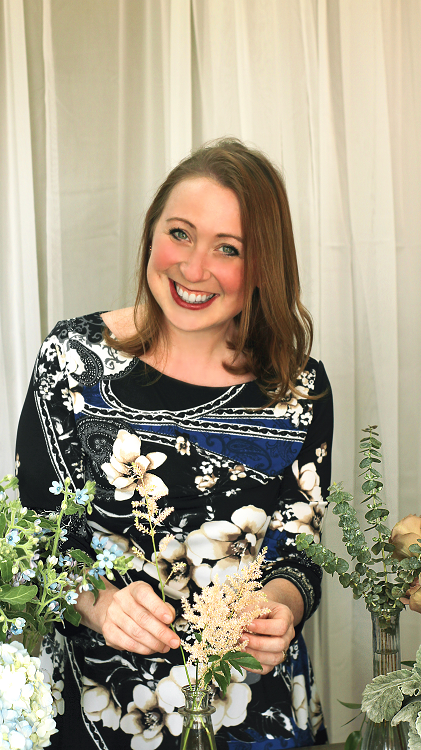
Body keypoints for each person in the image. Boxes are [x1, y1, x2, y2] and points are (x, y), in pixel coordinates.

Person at [16, 138, 333, 749]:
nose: (193, 268)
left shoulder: (298, 387)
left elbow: (301, 549)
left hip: (255, 712)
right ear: (151, 234)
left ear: (263, 266)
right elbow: (35, 535)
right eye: (180, 234)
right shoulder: (70, 360)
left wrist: (282, 605)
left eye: (228, 248)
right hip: (100, 710)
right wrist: (99, 603)